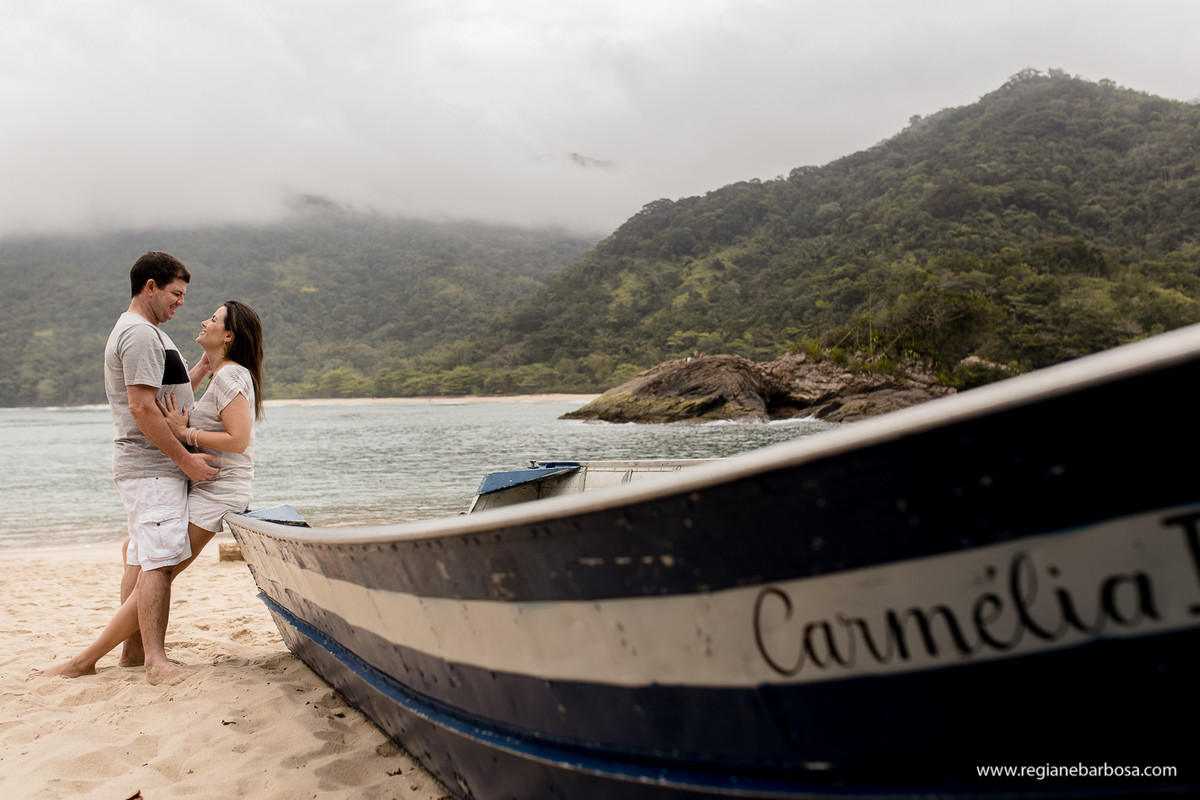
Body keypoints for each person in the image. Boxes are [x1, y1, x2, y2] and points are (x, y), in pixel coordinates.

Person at [45, 297, 264, 685]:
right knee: (138, 553)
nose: (203, 320)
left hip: (219, 492)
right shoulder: (223, 373)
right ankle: (129, 653)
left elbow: (240, 438)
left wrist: (186, 433)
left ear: (229, 334)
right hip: (208, 485)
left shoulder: (231, 376)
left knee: (158, 570)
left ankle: (86, 659)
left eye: (213, 319)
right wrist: (191, 398)